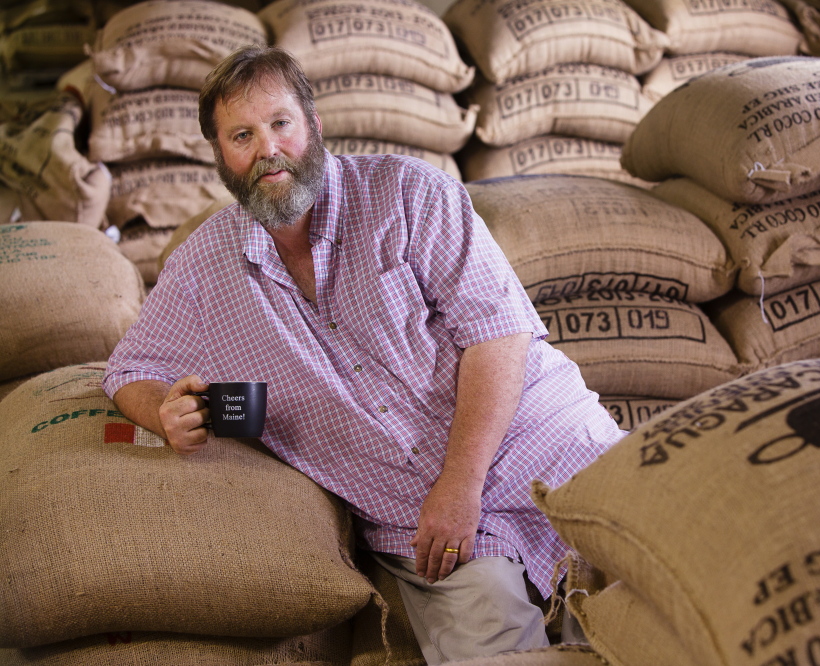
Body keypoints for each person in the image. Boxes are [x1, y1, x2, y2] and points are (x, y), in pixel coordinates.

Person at [103, 45, 624, 663]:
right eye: (242, 135)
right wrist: (162, 410)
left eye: (281, 123)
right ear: (221, 159)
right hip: (426, 532)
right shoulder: (204, 268)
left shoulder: (410, 194)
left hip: (551, 449)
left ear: (315, 127)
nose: (267, 149)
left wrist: (461, 483)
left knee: (669, 613)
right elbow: (128, 369)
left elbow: (499, 334)